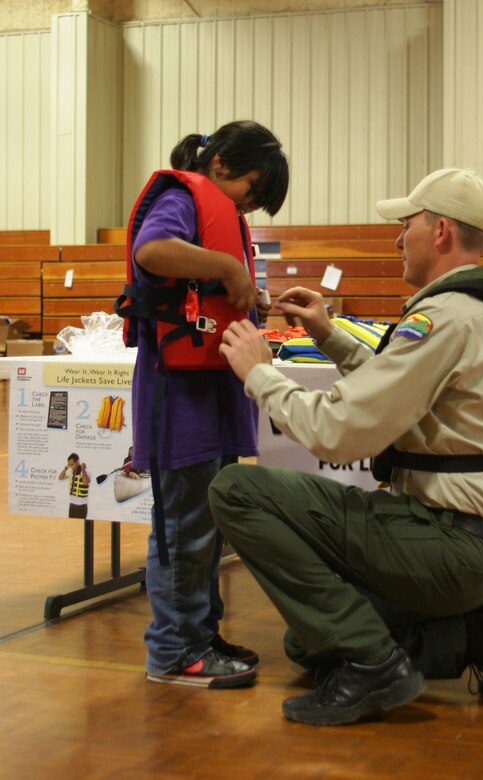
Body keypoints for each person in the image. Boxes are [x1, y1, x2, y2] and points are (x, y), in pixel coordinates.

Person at [209, 168, 483, 725]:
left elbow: (339, 433)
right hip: (474, 550)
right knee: (307, 646)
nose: (396, 238)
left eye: (405, 225)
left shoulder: (446, 318)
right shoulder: (481, 310)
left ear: (440, 233)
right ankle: (472, 635)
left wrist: (259, 374)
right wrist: (327, 334)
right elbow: (407, 393)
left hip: (446, 544)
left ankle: (376, 664)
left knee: (237, 488)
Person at [124, 120, 289, 689]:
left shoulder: (220, 211)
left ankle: (200, 635)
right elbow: (152, 251)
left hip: (214, 396)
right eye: (250, 188)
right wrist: (228, 268)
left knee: (209, 528)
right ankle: (172, 652)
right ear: (220, 165)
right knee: (183, 528)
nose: (249, 203)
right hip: (180, 397)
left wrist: (252, 297)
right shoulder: (180, 196)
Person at [58, 453, 91, 519]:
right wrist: (66, 467)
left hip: (81, 505)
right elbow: (60, 477)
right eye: (70, 465)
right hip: (72, 504)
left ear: (77, 461)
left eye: (72, 464)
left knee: (80, 527)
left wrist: (83, 469)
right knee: (72, 526)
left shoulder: (86, 471)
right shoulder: (71, 472)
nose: (71, 467)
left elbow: (86, 482)